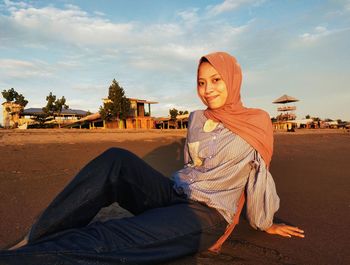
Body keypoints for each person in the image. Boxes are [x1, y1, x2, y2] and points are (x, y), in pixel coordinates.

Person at [0, 52, 304, 264]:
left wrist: (264, 222)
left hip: (206, 216)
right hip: (173, 193)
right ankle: (38, 236)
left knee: (110, 237)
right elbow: (191, 165)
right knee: (116, 160)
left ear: (232, 79)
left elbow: (258, 175)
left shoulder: (256, 121)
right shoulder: (197, 117)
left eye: (216, 80)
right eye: (201, 82)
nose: (207, 89)